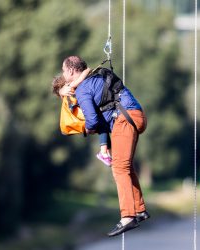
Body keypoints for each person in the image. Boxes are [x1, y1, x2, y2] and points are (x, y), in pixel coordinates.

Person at [59, 55, 150, 237]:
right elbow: (103, 113)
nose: (62, 74)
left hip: (124, 120)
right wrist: (103, 144)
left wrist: (85, 129)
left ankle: (128, 217)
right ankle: (139, 210)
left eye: (63, 71)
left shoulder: (83, 90)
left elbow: (93, 120)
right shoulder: (96, 75)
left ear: (70, 70)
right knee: (126, 166)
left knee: (119, 168)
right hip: (135, 116)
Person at [52, 71, 112, 166]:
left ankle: (107, 152)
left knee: (103, 127)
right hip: (84, 118)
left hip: (80, 121)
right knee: (101, 124)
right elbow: (80, 79)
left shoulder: (66, 92)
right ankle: (104, 153)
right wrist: (87, 70)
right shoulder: (69, 87)